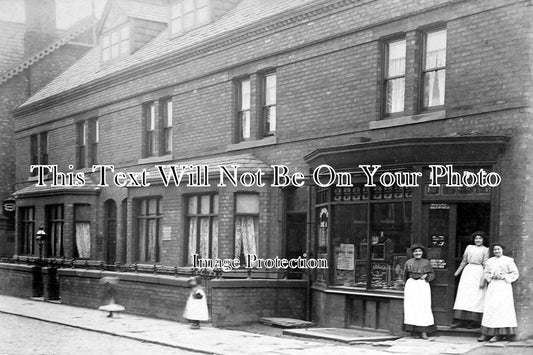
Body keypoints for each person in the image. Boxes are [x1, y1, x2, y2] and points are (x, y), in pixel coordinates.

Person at [478, 243, 519, 342]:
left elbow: (515, 273)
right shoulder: (490, 261)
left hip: (504, 286)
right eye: (495, 250)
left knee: (501, 309)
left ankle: (499, 334)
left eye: (498, 249)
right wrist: (490, 277)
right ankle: (487, 333)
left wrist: (504, 276)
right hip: (493, 286)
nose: (497, 251)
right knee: (490, 308)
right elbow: (486, 273)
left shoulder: (508, 260)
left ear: (502, 250)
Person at [451, 231, 489, 329]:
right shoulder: (469, 247)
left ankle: (473, 321)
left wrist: (482, 280)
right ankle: (460, 320)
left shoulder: (486, 250)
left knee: (476, 296)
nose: (478, 240)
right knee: (464, 295)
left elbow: (486, 265)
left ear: (483, 240)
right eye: (476, 238)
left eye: (480, 238)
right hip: (468, 272)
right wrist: (456, 274)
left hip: (479, 272)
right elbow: (463, 262)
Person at [403, 243, 436, 339]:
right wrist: (407, 284)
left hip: (422, 285)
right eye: (416, 251)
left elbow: (432, 274)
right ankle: (414, 331)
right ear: (413, 253)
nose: (418, 253)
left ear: (422, 252)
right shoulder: (408, 262)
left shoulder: (426, 262)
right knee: (412, 307)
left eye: (419, 251)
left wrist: (427, 276)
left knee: (423, 307)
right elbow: (405, 275)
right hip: (412, 285)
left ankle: (423, 331)